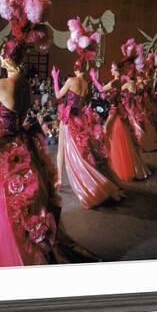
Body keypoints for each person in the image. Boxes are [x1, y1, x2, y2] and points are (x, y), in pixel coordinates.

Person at [0, 0, 97, 268]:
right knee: (23, 204)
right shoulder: (23, 84)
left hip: (5, 151)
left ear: (4, 57)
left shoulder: (2, 84)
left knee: (6, 205)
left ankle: (12, 252)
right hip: (22, 147)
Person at [52, 18, 122, 208]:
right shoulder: (87, 83)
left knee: (63, 151)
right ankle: (64, 178)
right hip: (80, 119)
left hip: (67, 119)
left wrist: (55, 79)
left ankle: (61, 179)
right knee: (84, 152)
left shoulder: (71, 81)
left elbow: (58, 95)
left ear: (76, 68)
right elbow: (87, 101)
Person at [93, 54, 151, 182]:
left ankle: (116, 169)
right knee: (122, 141)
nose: (110, 70)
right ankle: (129, 167)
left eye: (111, 68)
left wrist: (93, 78)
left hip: (114, 113)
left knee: (113, 140)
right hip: (118, 112)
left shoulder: (114, 81)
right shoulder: (120, 82)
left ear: (115, 70)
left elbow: (101, 89)